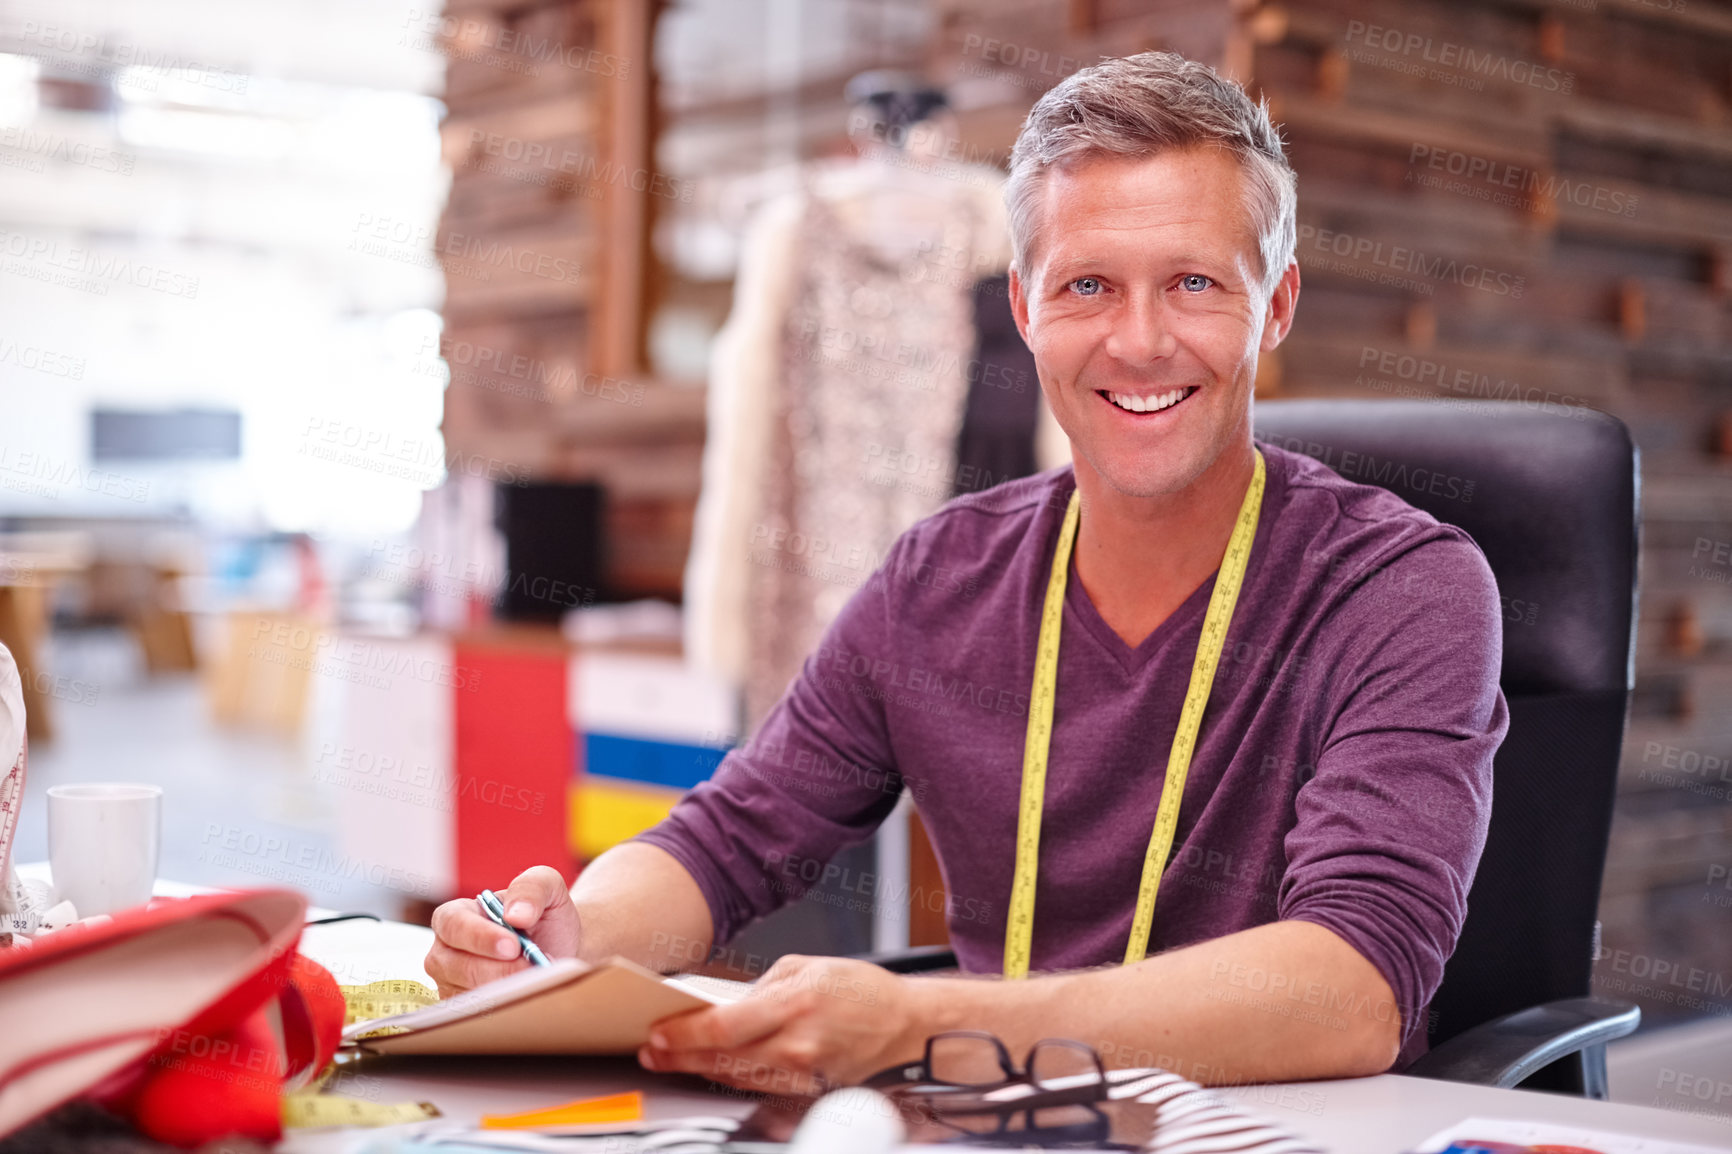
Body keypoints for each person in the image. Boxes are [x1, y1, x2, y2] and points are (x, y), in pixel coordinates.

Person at [426, 50, 1508, 1094]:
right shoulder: (939, 573)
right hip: (1003, 1117)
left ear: (1272, 308)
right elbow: (728, 838)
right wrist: (572, 929)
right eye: (1086, 284)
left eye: (1192, 282)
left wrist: (923, 1025)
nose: (1138, 341)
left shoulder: (1403, 589)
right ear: (1023, 308)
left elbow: (1354, 987)